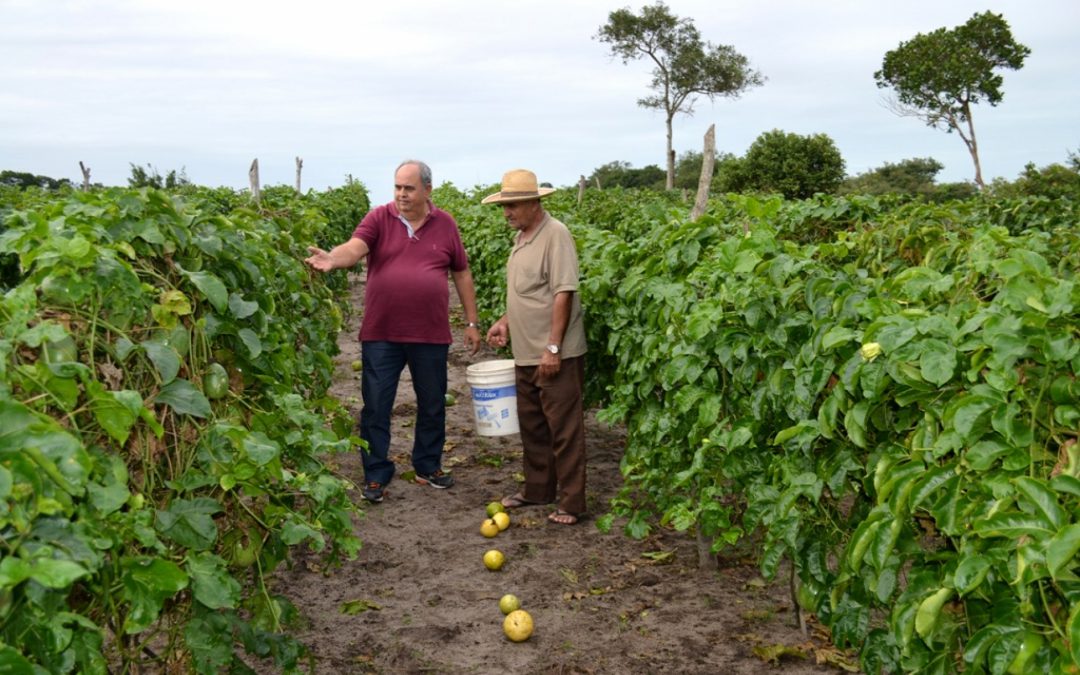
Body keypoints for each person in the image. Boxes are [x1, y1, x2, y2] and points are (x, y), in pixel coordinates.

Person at [305, 160, 482, 504]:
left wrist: (472, 323)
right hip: (382, 333)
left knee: (432, 403)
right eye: (398, 187)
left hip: (430, 334)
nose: (401, 194)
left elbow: (461, 272)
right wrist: (333, 259)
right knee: (376, 405)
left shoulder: (445, 224)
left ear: (427, 190)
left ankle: (427, 465)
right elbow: (355, 248)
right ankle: (375, 474)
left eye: (409, 188)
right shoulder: (379, 218)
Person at [482, 169, 587, 525]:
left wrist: (553, 347)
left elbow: (563, 292)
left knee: (564, 429)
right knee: (533, 426)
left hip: (554, 353)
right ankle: (538, 490)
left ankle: (572, 504)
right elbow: (529, 293)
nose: (506, 213)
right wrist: (505, 321)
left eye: (512, 206)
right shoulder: (522, 238)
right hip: (525, 352)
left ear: (533, 203)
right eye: (504, 206)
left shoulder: (555, 235)